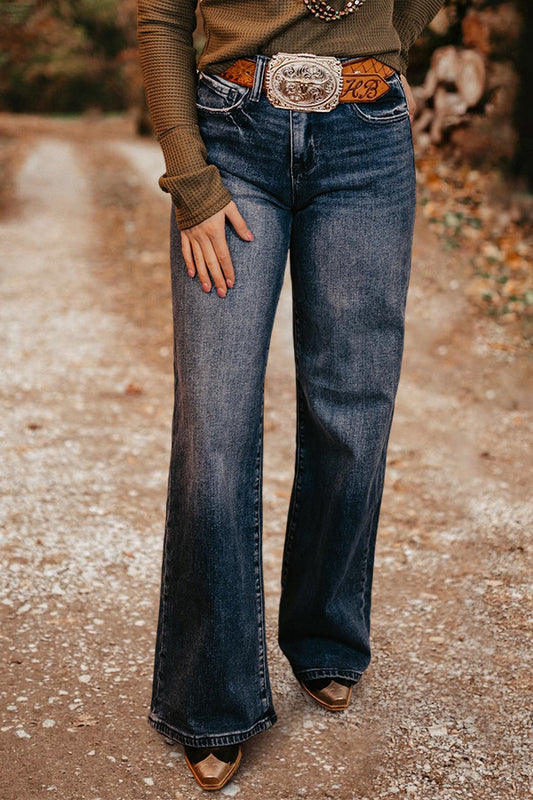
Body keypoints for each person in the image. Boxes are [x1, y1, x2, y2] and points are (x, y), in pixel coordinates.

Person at [137, 0, 443, 791]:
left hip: (365, 145)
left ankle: (325, 635)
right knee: (216, 423)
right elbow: (163, 15)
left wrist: (369, 53)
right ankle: (210, 696)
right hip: (232, 142)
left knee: (353, 413)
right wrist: (189, 178)